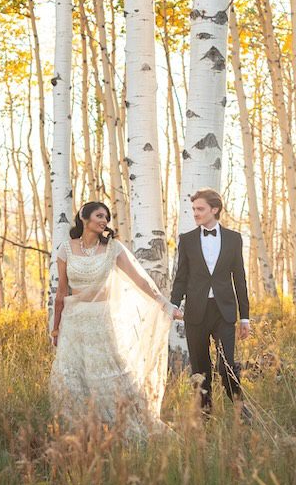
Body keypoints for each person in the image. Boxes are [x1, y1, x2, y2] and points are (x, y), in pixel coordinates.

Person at [49, 201, 180, 439]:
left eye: (106, 218)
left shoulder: (113, 248)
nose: (104, 221)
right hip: (73, 323)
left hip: (101, 320)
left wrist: (164, 303)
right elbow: (61, 293)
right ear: (84, 217)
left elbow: (140, 279)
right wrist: (55, 329)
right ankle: (83, 434)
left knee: (109, 375)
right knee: (73, 377)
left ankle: (121, 428)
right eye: (99, 216)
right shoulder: (65, 249)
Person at [170, 188, 251, 415]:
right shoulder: (186, 240)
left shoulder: (234, 239)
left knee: (226, 366)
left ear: (214, 209)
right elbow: (181, 277)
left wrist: (245, 317)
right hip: (195, 312)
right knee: (200, 368)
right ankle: (205, 416)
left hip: (223, 311)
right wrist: (173, 304)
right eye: (194, 209)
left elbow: (240, 280)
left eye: (200, 209)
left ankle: (240, 408)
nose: (195, 213)